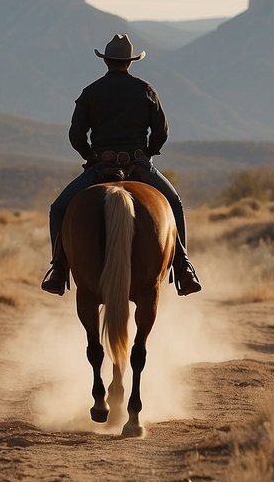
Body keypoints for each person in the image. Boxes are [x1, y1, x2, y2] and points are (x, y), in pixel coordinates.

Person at [42, 34, 203, 297]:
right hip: (139, 165)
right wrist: (148, 153)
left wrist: (91, 156)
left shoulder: (90, 92)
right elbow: (161, 131)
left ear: (106, 62)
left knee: (58, 209)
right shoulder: (146, 90)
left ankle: (58, 270)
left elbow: (76, 135)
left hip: (100, 168)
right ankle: (183, 267)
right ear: (129, 63)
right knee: (174, 204)